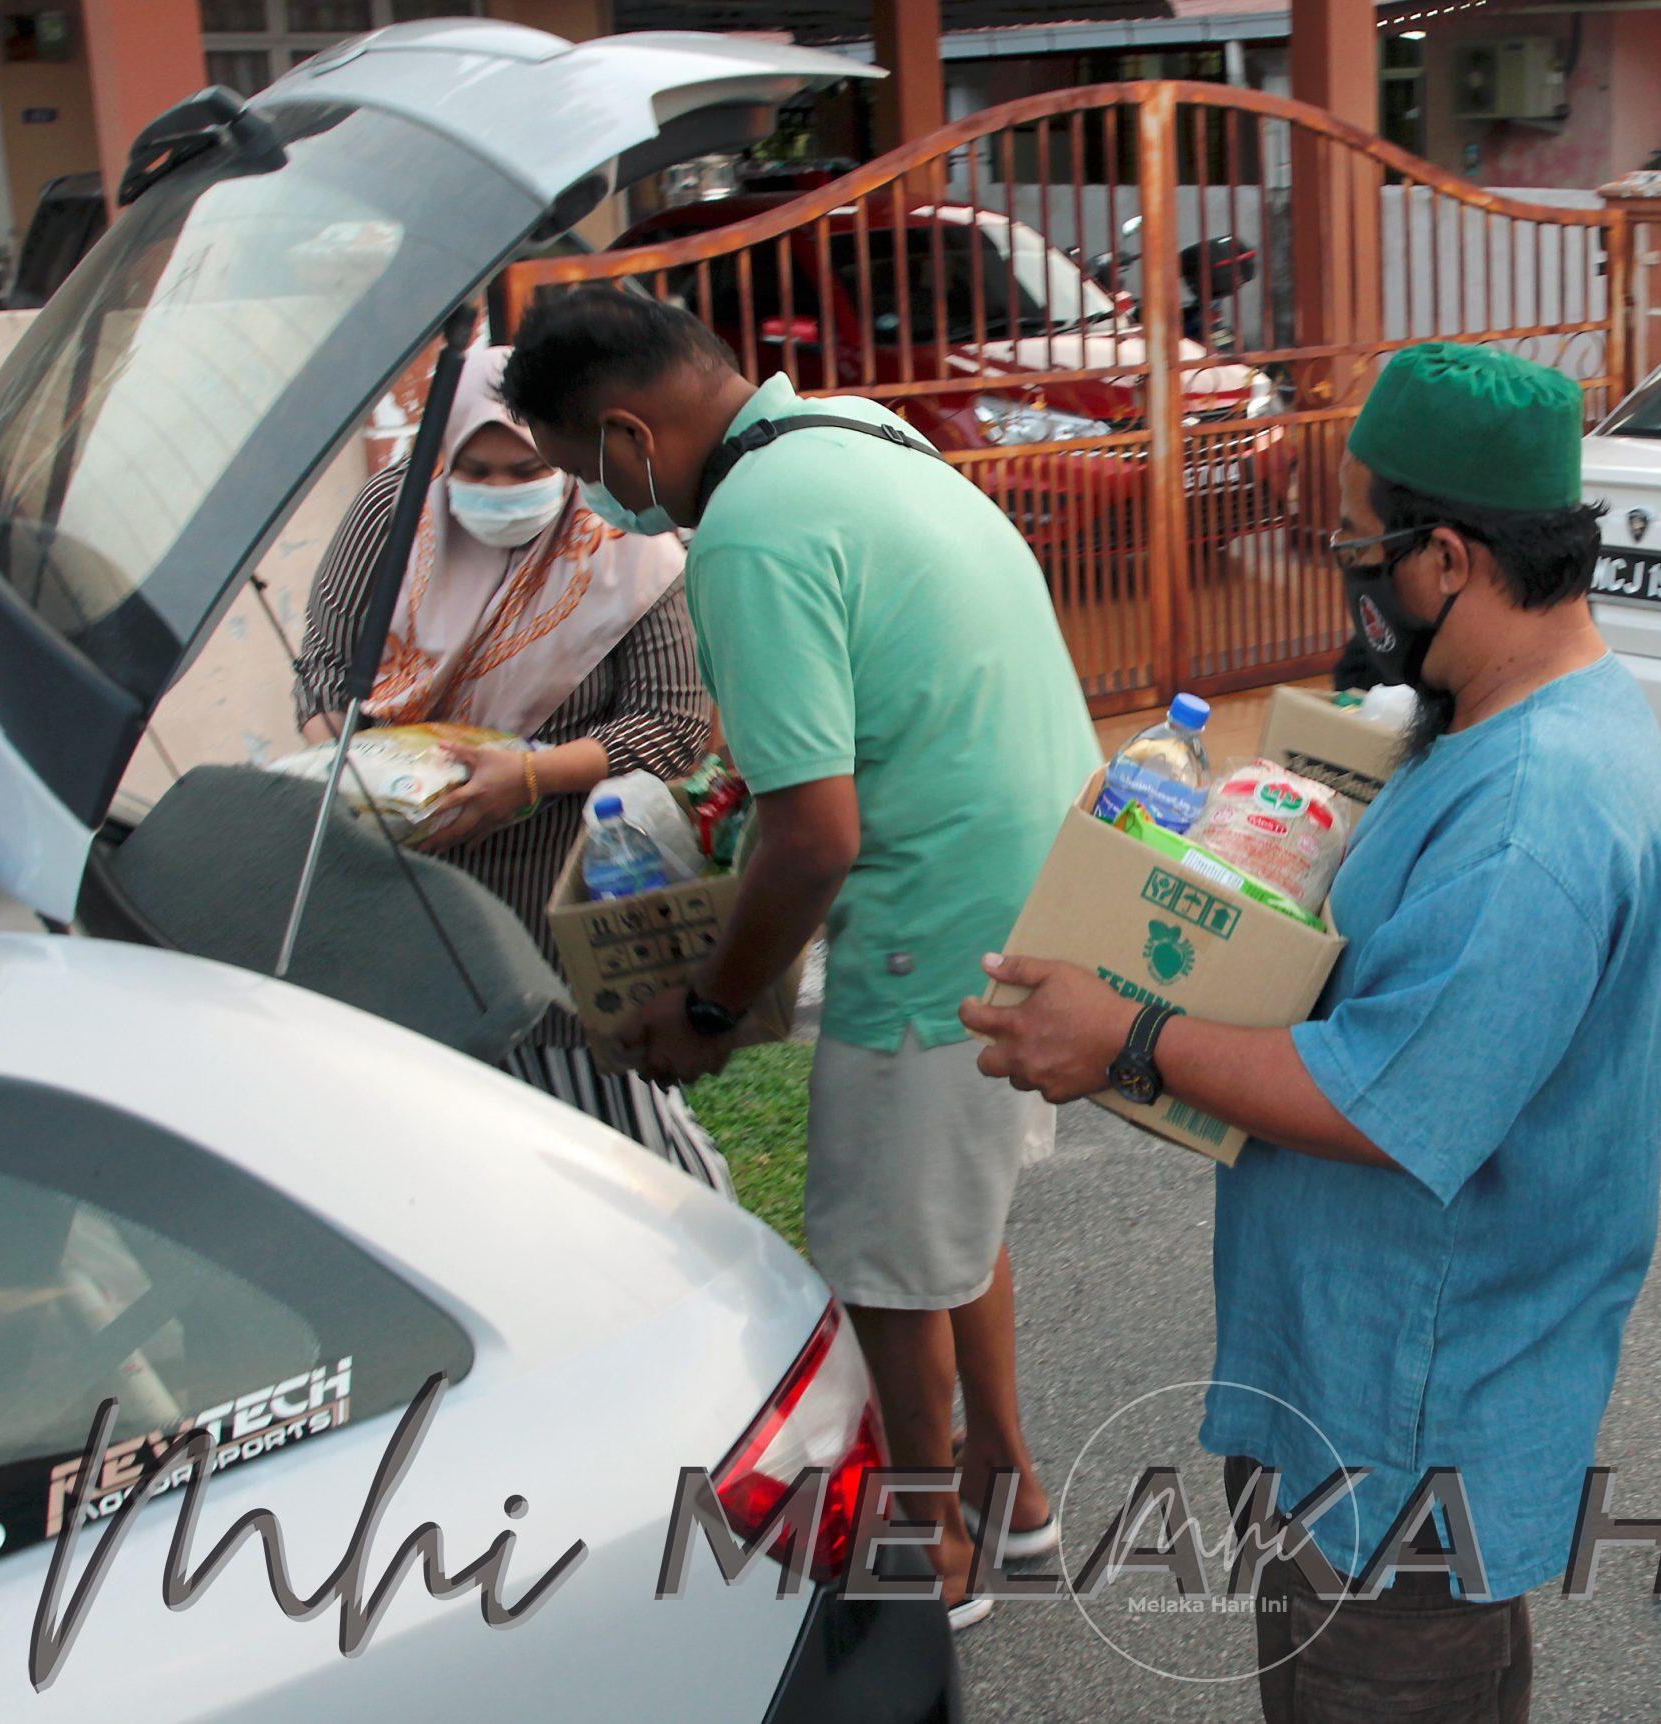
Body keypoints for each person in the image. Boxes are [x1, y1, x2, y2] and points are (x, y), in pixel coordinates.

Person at [965, 342, 1661, 1722]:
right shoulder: (1509, 722)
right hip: (1373, 1393)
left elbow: (1381, 1104)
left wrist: (1131, 1035)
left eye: (1365, 548)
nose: (1351, 576)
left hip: (1410, 1426)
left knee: (1387, 1683)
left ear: (1454, 558)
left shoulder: (1534, 812)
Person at [493, 286, 1099, 1630]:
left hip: (936, 926)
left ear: (629, 433)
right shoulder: (856, 432)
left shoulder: (751, 534)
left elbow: (815, 836)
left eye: (584, 470)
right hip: (1044, 885)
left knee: (883, 1255)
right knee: (953, 1221)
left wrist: (711, 1002)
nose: (596, 503)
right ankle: (1011, 1493)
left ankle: (935, 1555)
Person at [294, 345, 719, 1180]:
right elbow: (325, 671)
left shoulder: (619, 533)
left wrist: (529, 777)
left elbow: (672, 724)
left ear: (561, 457)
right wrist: (367, 779)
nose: (495, 491)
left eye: (524, 467)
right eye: (473, 470)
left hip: (559, 892)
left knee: (611, 1163)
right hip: (404, 888)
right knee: (442, 1155)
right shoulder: (392, 515)